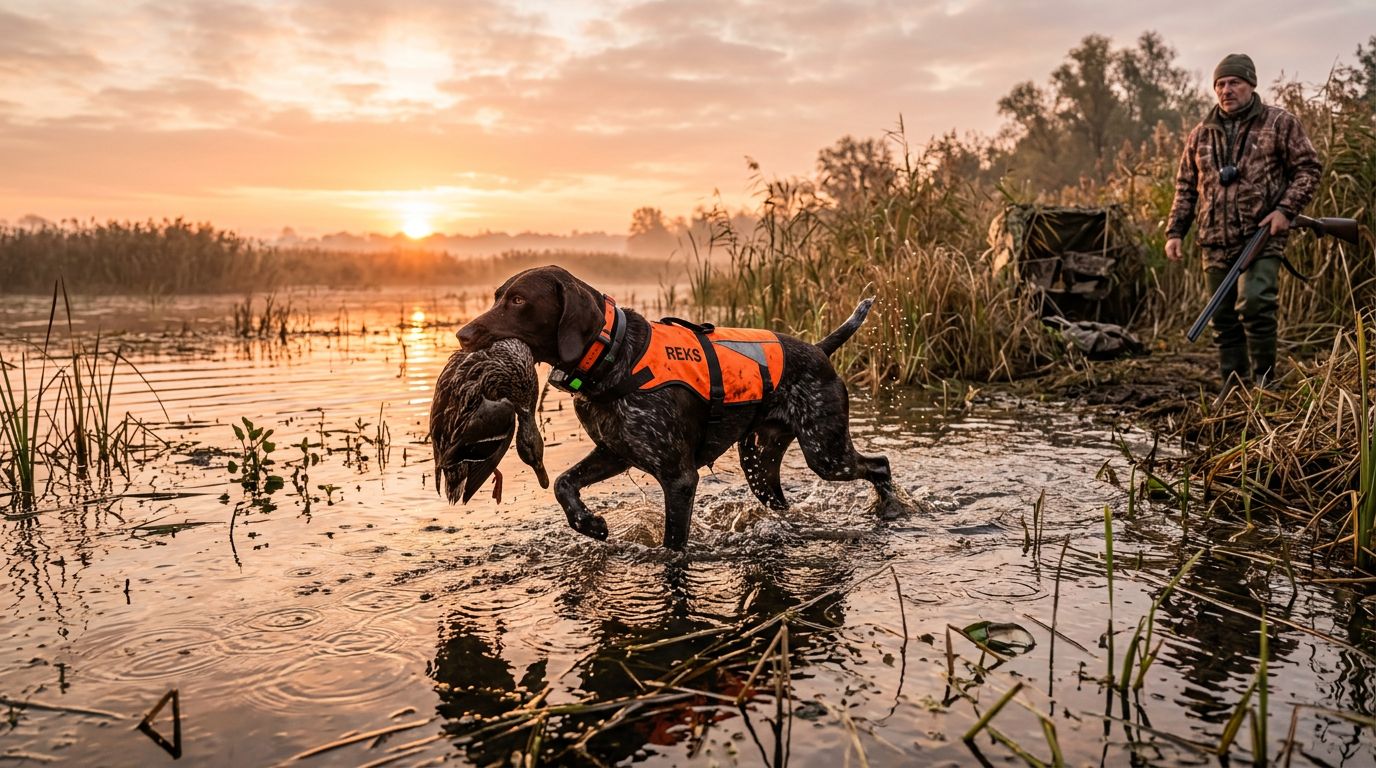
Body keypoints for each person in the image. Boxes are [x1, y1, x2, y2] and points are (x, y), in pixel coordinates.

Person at [1165, 53, 1322, 390]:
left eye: (1234, 82)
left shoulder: (1280, 123)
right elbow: (1185, 187)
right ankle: (1233, 389)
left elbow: (1308, 168)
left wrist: (1285, 211)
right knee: (1222, 319)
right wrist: (1175, 231)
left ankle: (1265, 384)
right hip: (1214, 240)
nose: (1226, 90)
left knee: (1255, 302)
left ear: (1251, 83)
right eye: (1220, 84)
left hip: (1261, 236)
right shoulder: (1200, 134)